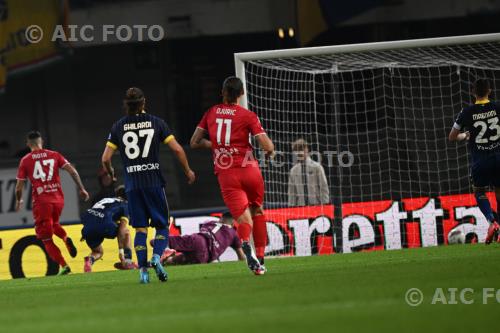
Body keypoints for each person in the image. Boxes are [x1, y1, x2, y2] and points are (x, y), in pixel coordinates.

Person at [102, 87, 196, 284]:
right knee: (162, 226)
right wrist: (187, 170)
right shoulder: (156, 123)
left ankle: (143, 271)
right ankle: (156, 257)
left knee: (141, 230)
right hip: (153, 183)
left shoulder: (118, 126)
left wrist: (111, 172)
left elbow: (105, 159)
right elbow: (178, 149)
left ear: (125, 105)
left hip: (133, 186)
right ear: (144, 103)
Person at [190, 76, 274, 275]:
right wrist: (270, 151)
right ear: (241, 93)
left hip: (226, 174)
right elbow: (266, 145)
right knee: (258, 210)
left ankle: (246, 244)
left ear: (223, 93)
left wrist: (216, 145)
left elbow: (194, 141)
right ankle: (260, 257)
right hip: (249, 169)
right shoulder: (248, 115)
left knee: (244, 219)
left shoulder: (211, 113)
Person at [15, 131, 90, 275]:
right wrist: (82, 188)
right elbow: (73, 171)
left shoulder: (25, 160)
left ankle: (64, 266)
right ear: (41, 141)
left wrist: (19, 200)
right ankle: (65, 237)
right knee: (54, 223)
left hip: (42, 203)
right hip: (58, 200)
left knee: (47, 239)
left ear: (28, 144)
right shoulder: (55, 155)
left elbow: (19, 187)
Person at [449, 78, 500, 244]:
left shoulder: (466, 112)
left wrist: (465, 136)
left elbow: (452, 136)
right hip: (499, 157)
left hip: (480, 161)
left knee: (479, 191)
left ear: (473, 93)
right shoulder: (498, 107)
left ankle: (492, 221)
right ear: (489, 91)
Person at [152, 212, 245, 265]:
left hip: (197, 240)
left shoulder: (210, 222)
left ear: (221, 218)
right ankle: (168, 258)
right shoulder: (233, 234)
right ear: (233, 223)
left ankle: (165, 256)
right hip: (207, 255)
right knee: (183, 260)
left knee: (155, 242)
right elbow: (241, 257)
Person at [81, 185, 137, 272]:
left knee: (98, 252)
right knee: (126, 231)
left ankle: (90, 260)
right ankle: (127, 261)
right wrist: (121, 251)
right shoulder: (125, 205)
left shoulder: (106, 199)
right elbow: (122, 229)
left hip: (87, 225)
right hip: (103, 223)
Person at [288, 138, 330, 207]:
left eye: (301, 150)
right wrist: (291, 207)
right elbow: (292, 192)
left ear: (306, 149)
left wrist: (325, 204)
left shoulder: (317, 167)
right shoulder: (293, 171)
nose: (299, 153)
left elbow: (323, 186)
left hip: (317, 205)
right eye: (297, 151)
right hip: (301, 207)